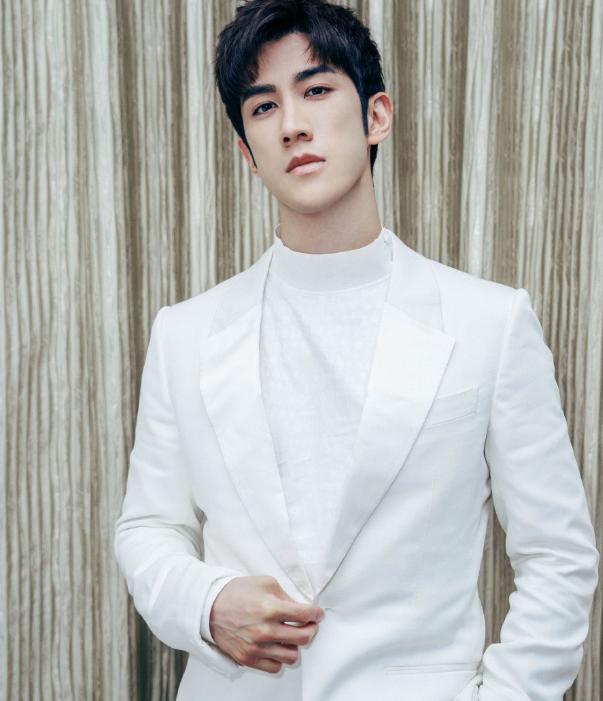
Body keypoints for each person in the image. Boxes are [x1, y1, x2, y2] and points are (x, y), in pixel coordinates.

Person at [113, 1, 599, 699]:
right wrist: (206, 602)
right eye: (263, 107)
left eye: (315, 89)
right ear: (247, 153)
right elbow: (148, 526)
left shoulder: (490, 324)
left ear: (377, 115)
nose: (292, 124)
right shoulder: (184, 333)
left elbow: (557, 555)